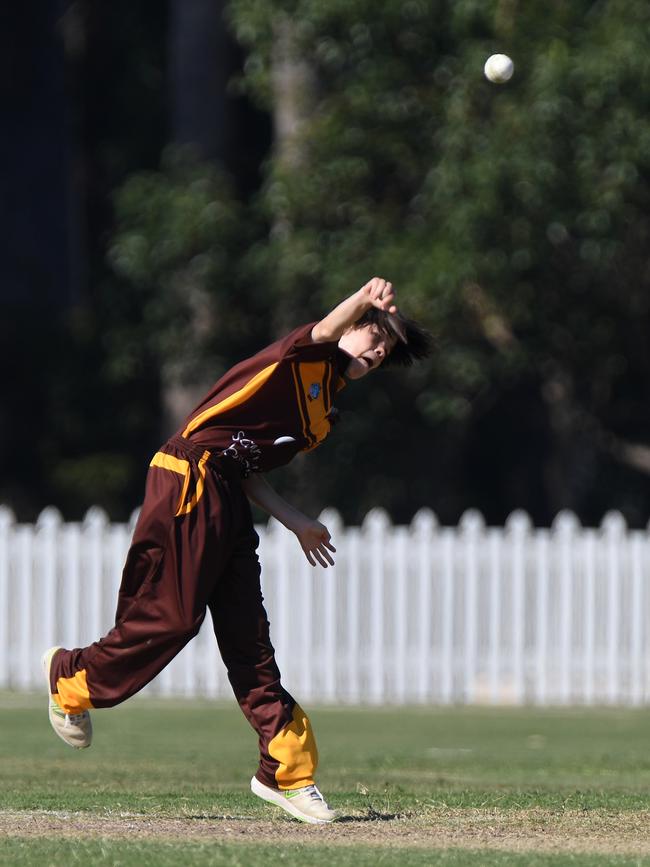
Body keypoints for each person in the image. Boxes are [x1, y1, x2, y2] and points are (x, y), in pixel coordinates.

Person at [42, 277, 431, 824]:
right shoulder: (302, 356)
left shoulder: (323, 415)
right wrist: (364, 303)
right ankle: (71, 678)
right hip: (190, 476)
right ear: (350, 325)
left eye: (387, 349)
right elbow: (325, 327)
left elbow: (249, 470)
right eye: (374, 334)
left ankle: (286, 771)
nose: (379, 348)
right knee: (174, 619)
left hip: (226, 491)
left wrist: (296, 522)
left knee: (250, 640)